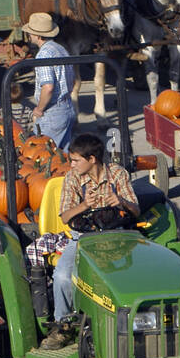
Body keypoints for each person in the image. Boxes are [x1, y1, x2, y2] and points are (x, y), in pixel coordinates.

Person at [44, 132, 140, 340]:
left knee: (128, 275)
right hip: (83, 239)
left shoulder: (118, 174)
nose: (72, 164)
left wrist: (122, 202)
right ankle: (63, 326)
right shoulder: (72, 178)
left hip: (116, 236)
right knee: (61, 277)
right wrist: (85, 205)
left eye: (76, 160)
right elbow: (65, 216)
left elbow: (136, 211)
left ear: (92, 159)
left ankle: (133, 322)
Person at [22, 11, 76, 151]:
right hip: (67, 107)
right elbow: (73, 79)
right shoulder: (61, 49)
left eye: (31, 33)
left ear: (38, 36)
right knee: (63, 157)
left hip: (52, 111)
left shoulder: (44, 54)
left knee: (43, 155)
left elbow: (48, 87)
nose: (29, 35)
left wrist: (39, 110)